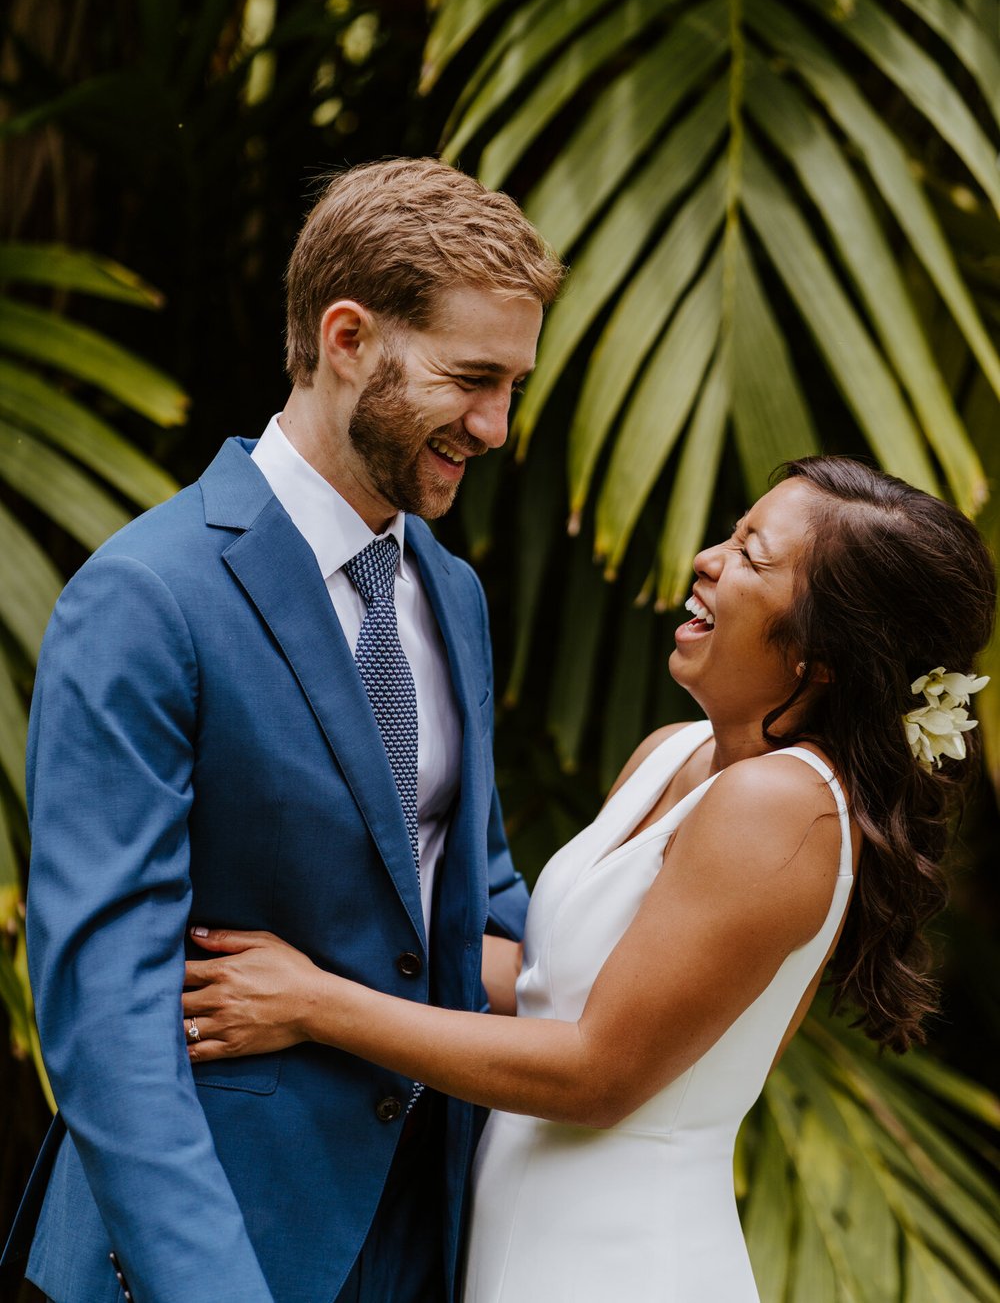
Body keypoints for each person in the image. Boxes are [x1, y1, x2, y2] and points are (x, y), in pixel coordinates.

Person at [178, 457, 995, 1303]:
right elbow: (543, 986)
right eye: (732, 534)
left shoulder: (784, 806)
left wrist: (315, 1005)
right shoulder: (675, 754)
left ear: (823, 655)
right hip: (520, 1247)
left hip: (622, 1261)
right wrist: (311, 938)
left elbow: (595, 1072)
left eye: (753, 558)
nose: (708, 559)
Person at [5, 157, 564, 1303]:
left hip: (425, 1235)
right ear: (347, 337)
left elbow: (479, 907)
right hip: (201, 1252)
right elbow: (107, 1014)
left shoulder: (451, 594)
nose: (497, 426)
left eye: (513, 385)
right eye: (472, 379)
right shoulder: (148, 596)